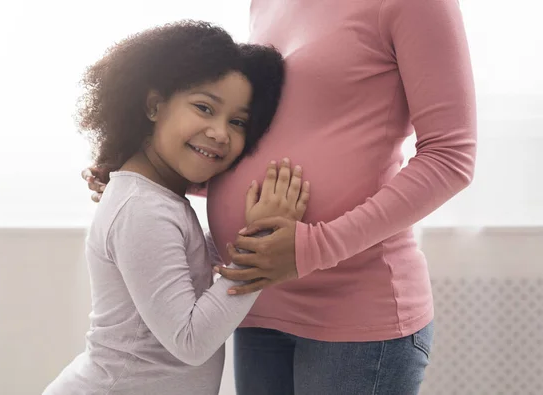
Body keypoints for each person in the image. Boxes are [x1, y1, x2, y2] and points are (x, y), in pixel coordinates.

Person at [85, 0, 477, 393]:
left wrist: (314, 247)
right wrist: (146, 170)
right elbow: (275, 140)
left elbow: (450, 157)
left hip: (353, 312)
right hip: (253, 306)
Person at [45, 21, 311, 395]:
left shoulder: (159, 200)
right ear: (154, 105)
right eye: (205, 108)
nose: (220, 132)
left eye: (237, 122)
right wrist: (262, 250)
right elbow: (191, 341)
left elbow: (191, 265)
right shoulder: (142, 209)